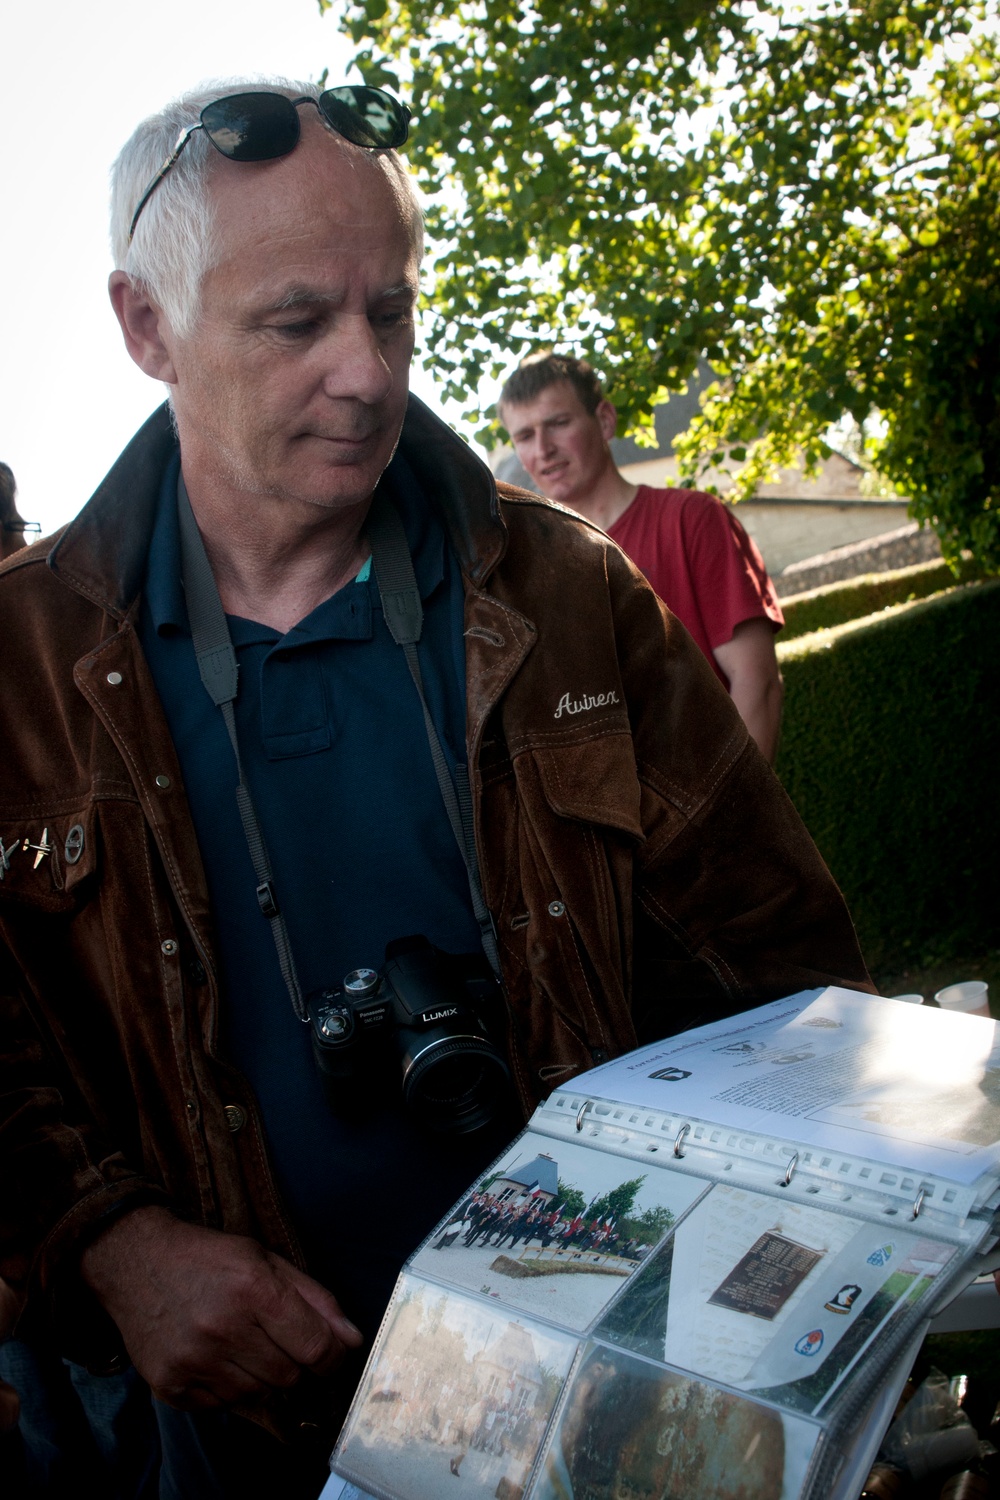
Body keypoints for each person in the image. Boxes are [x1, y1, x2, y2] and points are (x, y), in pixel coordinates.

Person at [0, 77, 871, 1495]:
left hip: (614, 1403)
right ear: (144, 326)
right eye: (296, 321)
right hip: (235, 1449)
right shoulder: (17, 665)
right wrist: (109, 1241)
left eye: (391, 310)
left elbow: (783, 974)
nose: (368, 371)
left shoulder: (571, 590)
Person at [498, 354, 786, 762]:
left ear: (604, 421)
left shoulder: (692, 520)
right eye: (524, 436)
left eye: (558, 424)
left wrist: (736, 817)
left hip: (714, 803)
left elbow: (758, 683)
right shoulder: (533, 572)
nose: (543, 449)